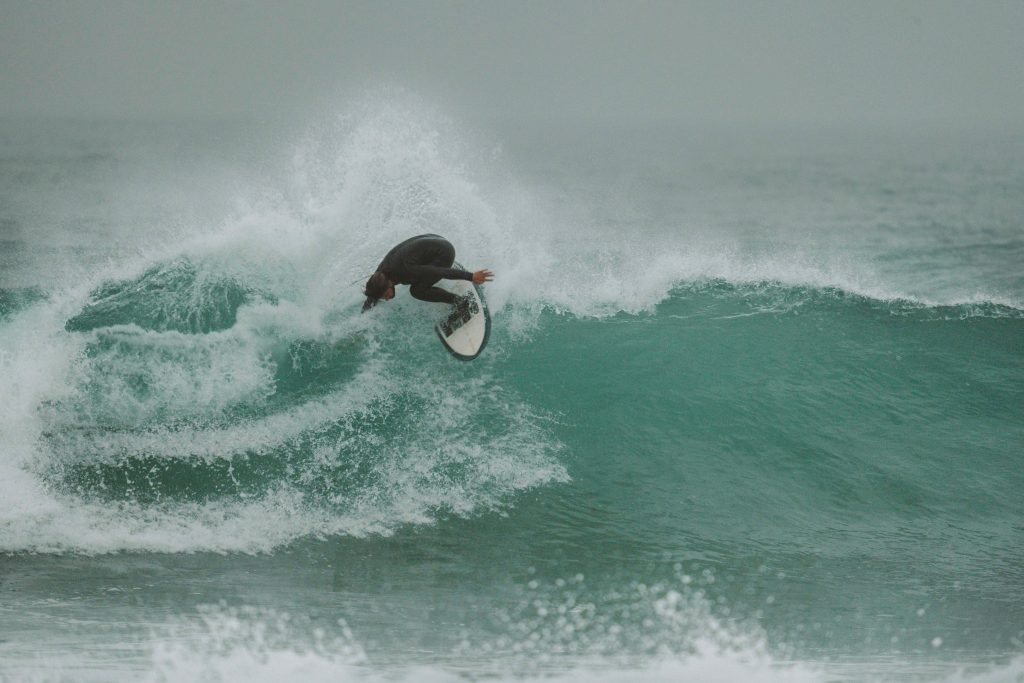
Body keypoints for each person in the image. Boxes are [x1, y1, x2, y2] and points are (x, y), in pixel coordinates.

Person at [362, 234, 493, 312]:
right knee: (418, 277)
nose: (387, 298)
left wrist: (471, 276)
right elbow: (373, 296)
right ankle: (429, 262)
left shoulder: (406, 268)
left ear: (389, 284)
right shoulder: (379, 276)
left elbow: (439, 271)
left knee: (417, 291)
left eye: (386, 295)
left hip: (444, 252)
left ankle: (461, 303)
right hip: (433, 240)